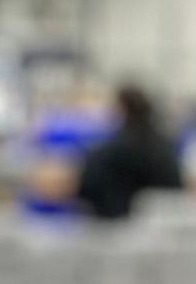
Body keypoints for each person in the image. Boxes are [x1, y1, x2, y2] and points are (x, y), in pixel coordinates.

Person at [77, 84, 186, 220]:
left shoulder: (108, 152)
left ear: (122, 108)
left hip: (112, 230)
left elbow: (88, 188)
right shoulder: (166, 145)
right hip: (163, 229)